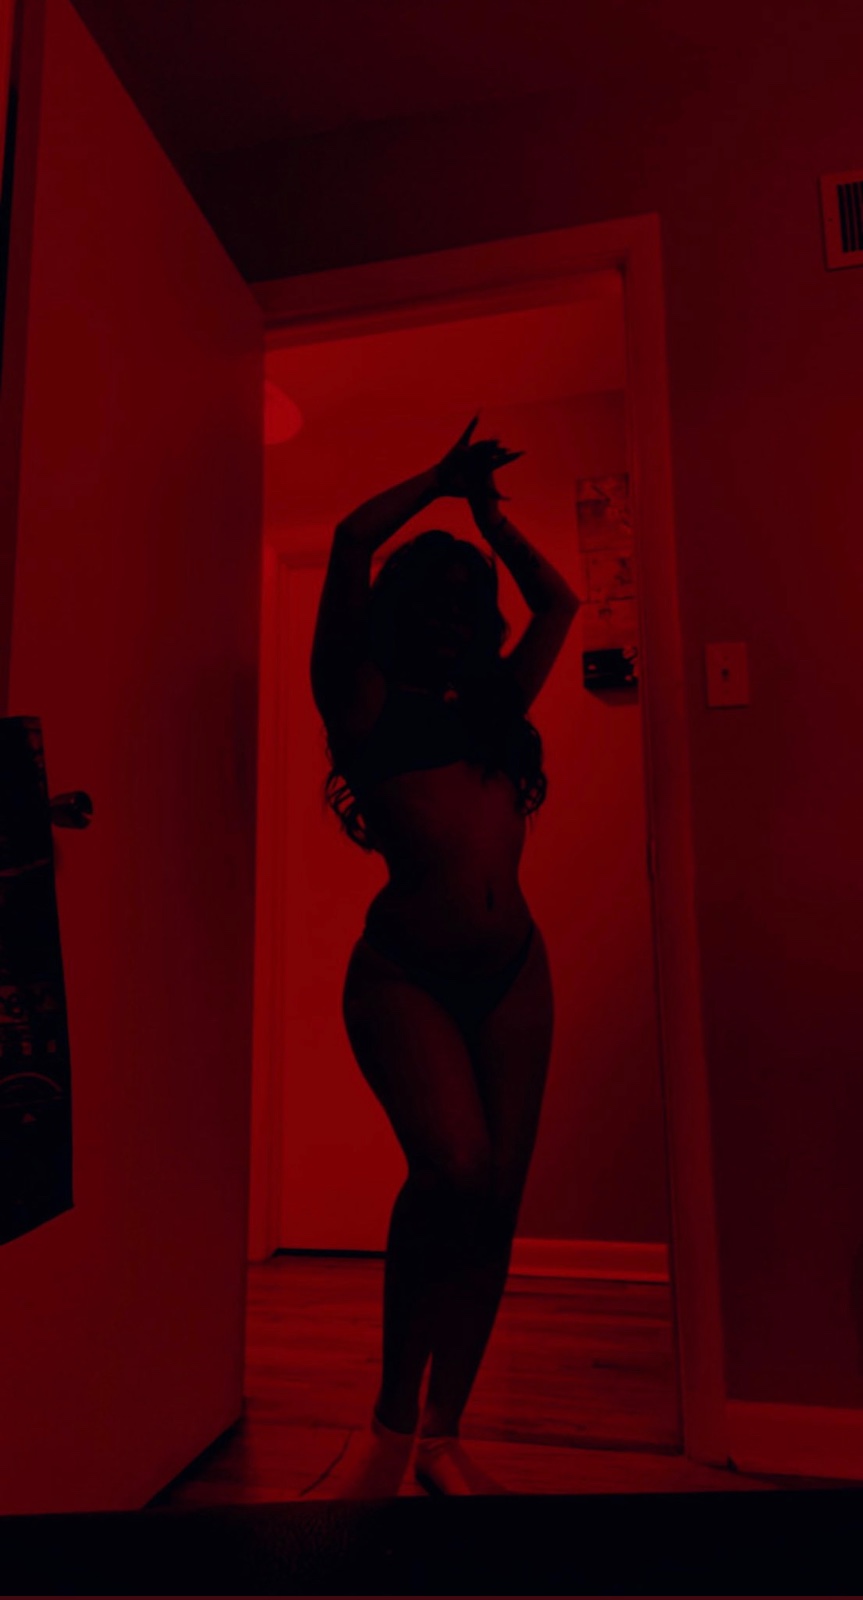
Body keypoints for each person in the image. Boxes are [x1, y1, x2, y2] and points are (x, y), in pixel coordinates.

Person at [304, 417, 580, 1497]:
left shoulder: (496, 703)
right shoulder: (360, 701)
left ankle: (441, 1437)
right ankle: (386, 1424)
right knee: (453, 1169)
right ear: (400, 612)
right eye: (435, 601)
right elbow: (347, 540)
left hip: (515, 972)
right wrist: (436, 480)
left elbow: (556, 602)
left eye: (466, 605)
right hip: (405, 978)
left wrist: (489, 521)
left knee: (495, 1198)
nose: (453, 619)